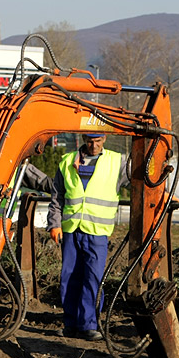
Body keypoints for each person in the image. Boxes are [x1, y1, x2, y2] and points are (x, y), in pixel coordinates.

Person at [47, 134, 128, 341]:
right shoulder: (67, 161)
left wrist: (163, 193)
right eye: (91, 141)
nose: (94, 145)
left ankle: (89, 324)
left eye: (98, 141)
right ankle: (71, 323)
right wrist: (54, 224)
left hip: (97, 231)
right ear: (84, 138)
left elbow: (141, 180)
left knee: (93, 278)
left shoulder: (116, 162)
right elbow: (57, 196)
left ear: (105, 138)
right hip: (71, 229)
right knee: (69, 277)